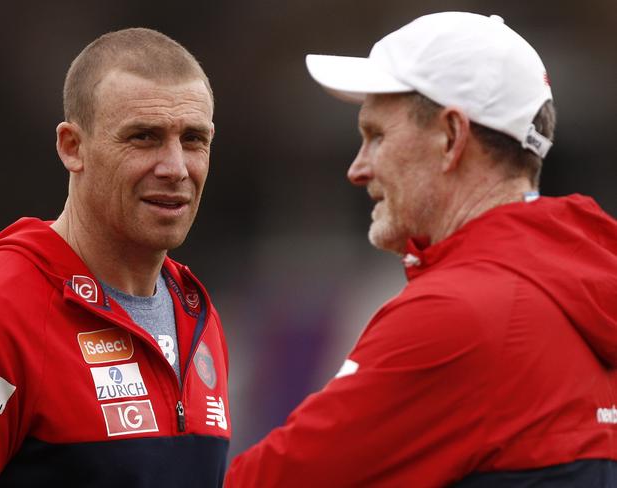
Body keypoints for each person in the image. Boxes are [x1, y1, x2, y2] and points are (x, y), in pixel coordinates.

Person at [225, 11, 617, 487]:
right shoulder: (580, 290)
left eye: (376, 136)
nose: (357, 168)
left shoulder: (460, 314)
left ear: (451, 138)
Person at [0, 28, 230, 487]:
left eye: (193, 139)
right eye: (143, 137)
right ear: (73, 147)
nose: (175, 168)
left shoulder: (198, 317)